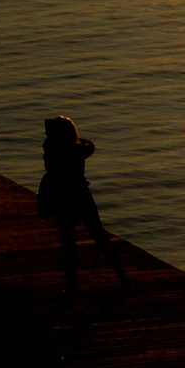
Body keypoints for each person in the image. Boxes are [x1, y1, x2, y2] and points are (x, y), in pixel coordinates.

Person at [41, 116, 126, 295]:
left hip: (60, 196)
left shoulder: (50, 147)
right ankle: (122, 276)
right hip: (81, 195)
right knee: (99, 236)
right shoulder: (78, 150)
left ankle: (73, 286)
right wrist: (78, 140)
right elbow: (90, 145)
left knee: (68, 242)